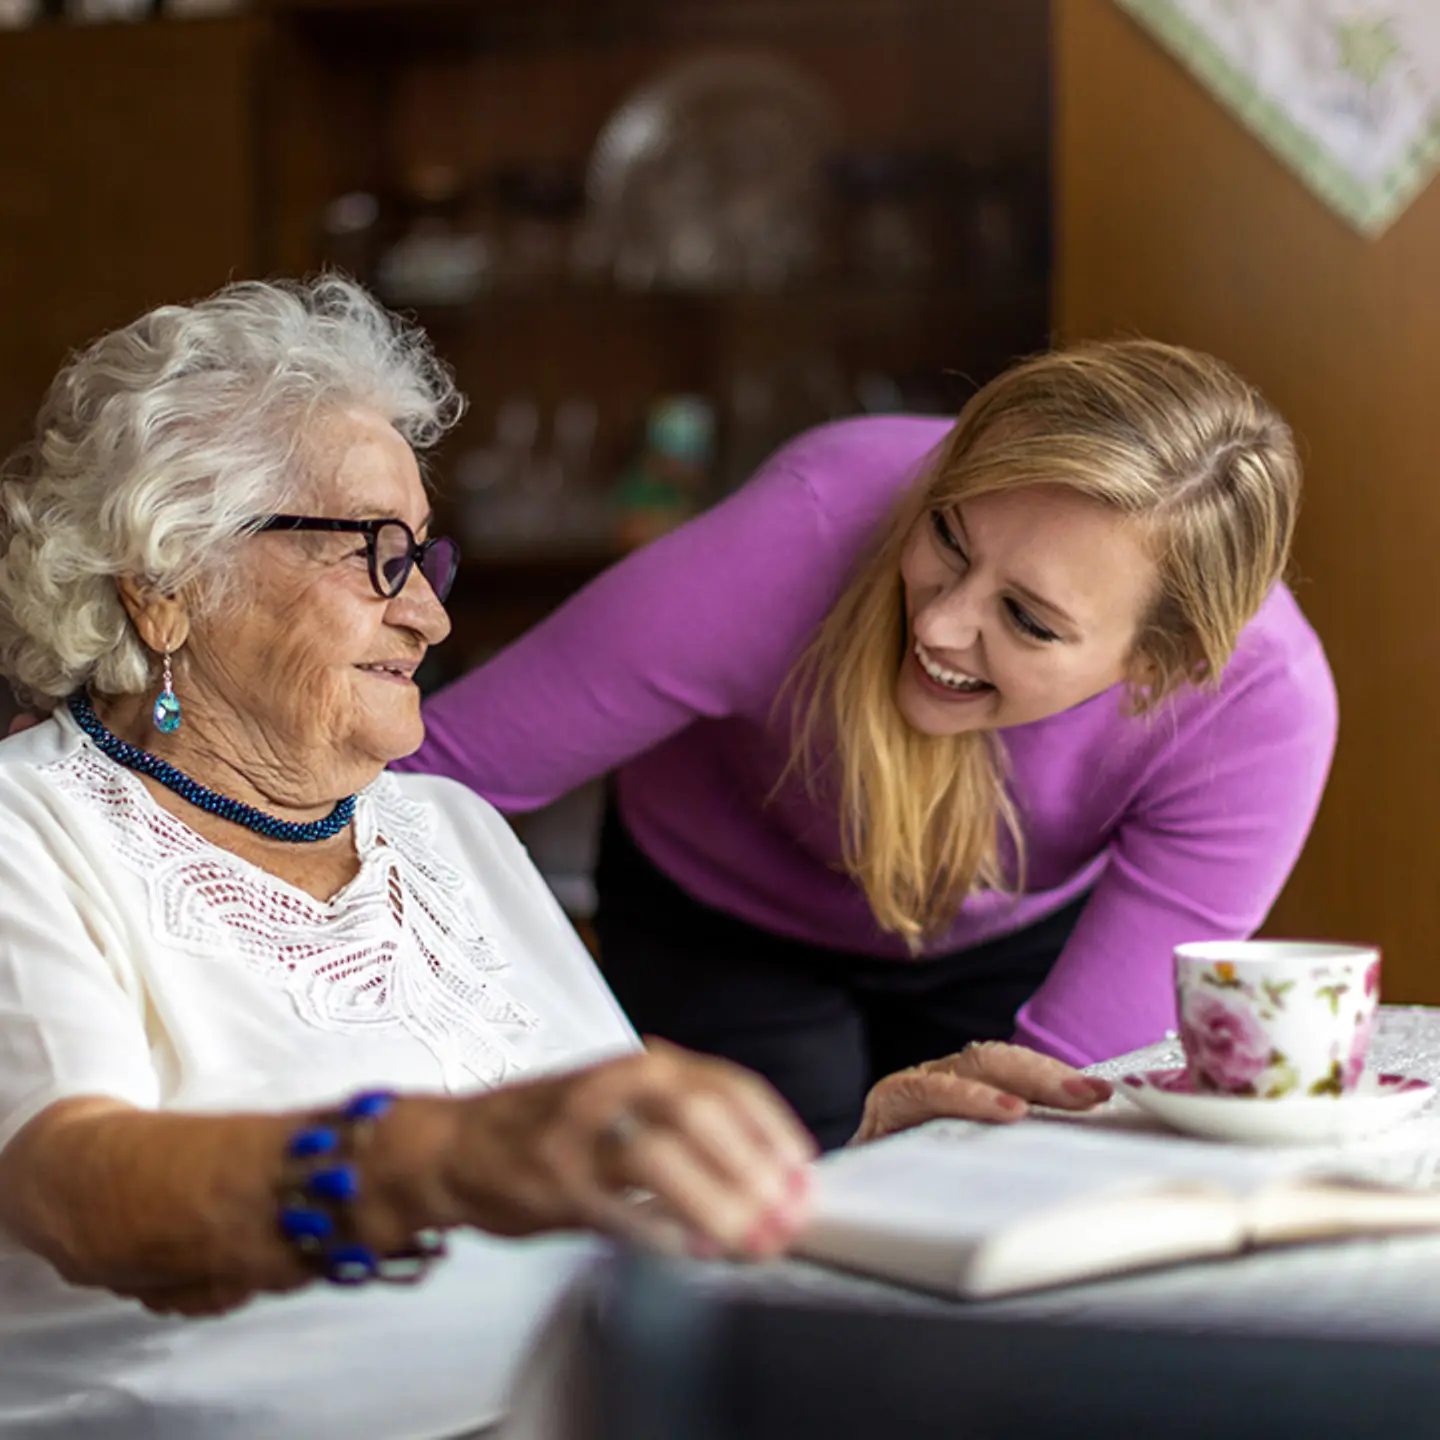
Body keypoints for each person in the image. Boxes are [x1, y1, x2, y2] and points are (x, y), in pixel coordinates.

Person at [0, 277, 1110, 1439]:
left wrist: (849, 1179)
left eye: (423, 560)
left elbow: (615, 1208)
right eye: (375, 554)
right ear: (167, 586)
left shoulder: (447, 830)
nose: (427, 617)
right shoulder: (33, 835)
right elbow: (81, 1192)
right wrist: (443, 1156)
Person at [406, 339, 1338, 1150]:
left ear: (1161, 666)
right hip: (722, 910)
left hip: (1009, 932)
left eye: (1027, 619)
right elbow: (423, 775)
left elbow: (1065, 1105)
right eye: (949, 536)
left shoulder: (1260, 709)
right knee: (758, 1217)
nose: (939, 624)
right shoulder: (805, 528)